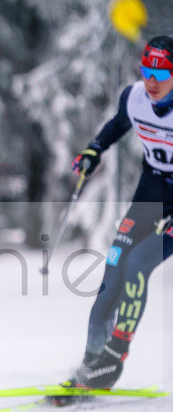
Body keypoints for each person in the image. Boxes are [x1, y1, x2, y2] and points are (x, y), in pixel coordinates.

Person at [64, 35, 173, 392]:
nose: (152, 81)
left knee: (138, 264)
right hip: (151, 190)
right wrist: (94, 150)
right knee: (113, 270)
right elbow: (117, 124)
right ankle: (91, 365)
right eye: (146, 71)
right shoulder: (134, 98)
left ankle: (114, 358)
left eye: (161, 73)